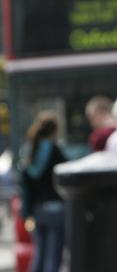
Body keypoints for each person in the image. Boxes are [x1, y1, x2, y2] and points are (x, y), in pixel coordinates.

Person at [18, 111, 67, 272]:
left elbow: (25, 184)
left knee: (40, 253)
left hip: (37, 210)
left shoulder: (29, 151)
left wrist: (26, 212)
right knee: (53, 256)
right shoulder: (55, 150)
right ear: (54, 130)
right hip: (55, 208)